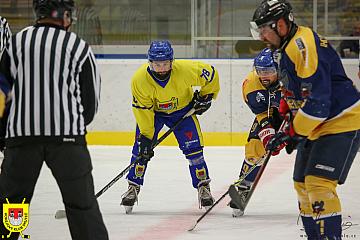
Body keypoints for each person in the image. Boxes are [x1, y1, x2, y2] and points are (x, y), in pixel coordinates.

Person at [251, 0, 360, 239]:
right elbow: (295, 93)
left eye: (264, 30)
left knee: (319, 184)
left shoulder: (302, 45)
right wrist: (286, 122)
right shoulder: (283, 48)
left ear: (280, 25)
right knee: (301, 184)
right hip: (316, 124)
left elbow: (319, 104)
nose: (261, 36)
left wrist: (293, 133)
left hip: (341, 120)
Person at [0, 0, 108, 239]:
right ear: (65, 16)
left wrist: (3, 135)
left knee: (11, 206)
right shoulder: (78, 46)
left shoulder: (15, 44)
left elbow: (1, 92)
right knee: (82, 206)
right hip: (67, 141)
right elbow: (90, 102)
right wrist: (74, 125)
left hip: (21, 139)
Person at [121, 40, 220, 214]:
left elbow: (210, 74)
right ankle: (133, 186)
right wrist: (146, 138)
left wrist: (206, 96)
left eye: (165, 63)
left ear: (172, 61)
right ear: (149, 62)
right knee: (140, 151)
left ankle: (203, 187)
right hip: (154, 114)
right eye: (157, 64)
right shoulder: (139, 79)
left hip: (183, 112)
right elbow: (143, 110)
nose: (161, 68)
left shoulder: (186, 70)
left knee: (194, 151)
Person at [229, 48, 284, 217]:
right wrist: (268, 135)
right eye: (260, 71)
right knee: (254, 148)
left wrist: (286, 133)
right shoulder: (250, 84)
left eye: (268, 71)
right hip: (270, 114)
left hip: (299, 116)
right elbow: (261, 113)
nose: (264, 75)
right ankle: (244, 188)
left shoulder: (292, 78)